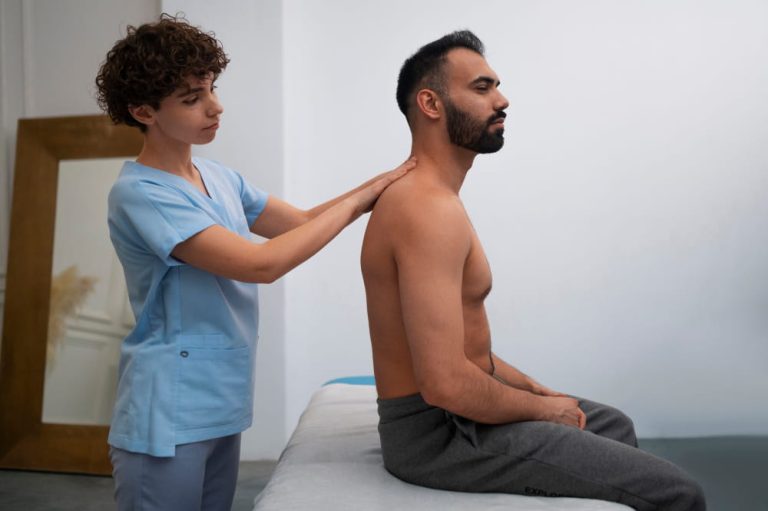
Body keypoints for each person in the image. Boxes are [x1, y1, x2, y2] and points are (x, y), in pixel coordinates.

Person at [361, 30, 706, 511]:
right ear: (431, 104)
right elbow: (444, 383)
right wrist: (547, 411)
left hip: (457, 415)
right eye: (482, 88)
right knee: (679, 493)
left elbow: (467, 354)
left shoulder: (437, 199)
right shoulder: (424, 208)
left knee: (612, 423)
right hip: (438, 436)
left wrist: (535, 390)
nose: (502, 101)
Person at [95, 14, 413, 511]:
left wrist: (387, 184)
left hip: (221, 401)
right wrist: (362, 200)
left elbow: (302, 221)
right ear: (143, 110)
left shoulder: (219, 178)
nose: (215, 107)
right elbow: (259, 264)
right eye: (192, 98)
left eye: (212, 88)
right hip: (169, 409)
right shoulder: (141, 194)